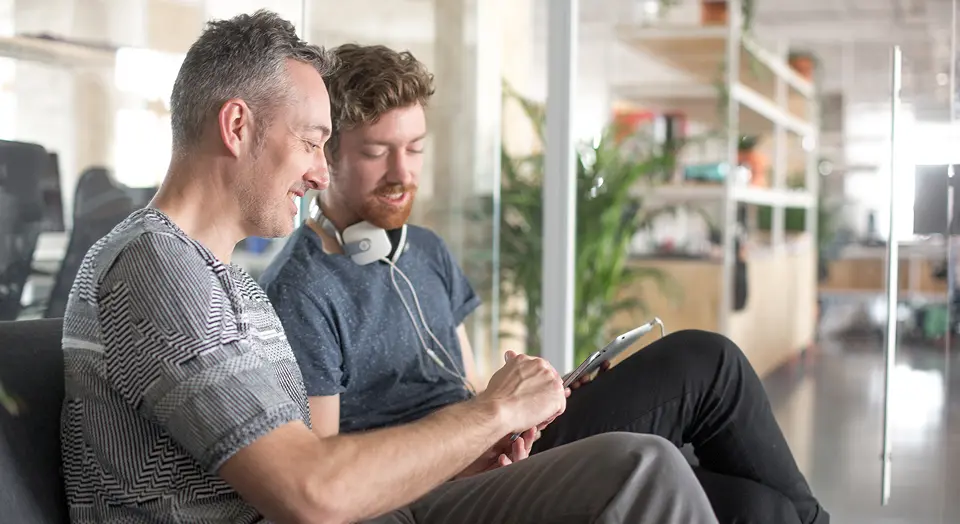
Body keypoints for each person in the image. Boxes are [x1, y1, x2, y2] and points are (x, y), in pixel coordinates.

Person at [59, 10, 719, 524]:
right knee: (642, 469)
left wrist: (469, 453)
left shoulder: (225, 282)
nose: (320, 171)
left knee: (648, 468)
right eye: (314, 143)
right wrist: (488, 413)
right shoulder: (155, 270)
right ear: (237, 127)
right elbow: (310, 491)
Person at [259, 43, 830, 524]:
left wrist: (529, 404)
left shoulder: (426, 249)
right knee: (710, 364)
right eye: (377, 153)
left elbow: (464, 383)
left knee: (757, 502)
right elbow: (330, 473)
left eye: (414, 150)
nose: (402, 173)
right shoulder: (302, 290)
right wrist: (478, 438)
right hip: (434, 484)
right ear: (326, 156)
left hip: (497, 441)